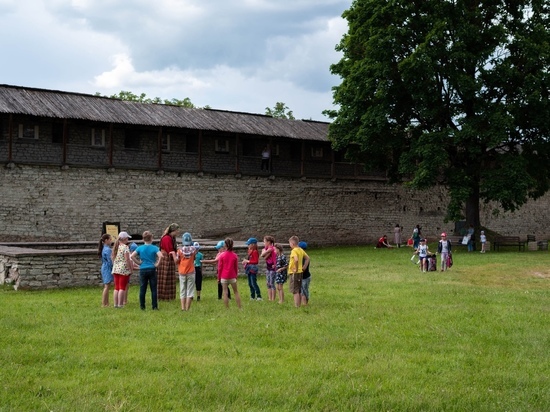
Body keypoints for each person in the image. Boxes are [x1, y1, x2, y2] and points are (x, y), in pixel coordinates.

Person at [131, 231, 162, 310]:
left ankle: (142, 306)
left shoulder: (140, 248)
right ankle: (154, 306)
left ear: (143, 239)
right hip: (152, 268)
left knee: (142, 288)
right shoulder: (154, 247)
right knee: (153, 288)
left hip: (143, 269)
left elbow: (132, 256)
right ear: (151, 238)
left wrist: (138, 263)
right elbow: (161, 256)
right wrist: (157, 264)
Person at [174, 232, 197, 311]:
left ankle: (183, 308)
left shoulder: (179, 251)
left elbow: (177, 261)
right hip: (191, 271)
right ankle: (187, 308)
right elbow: (194, 258)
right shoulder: (194, 250)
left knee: (182, 289)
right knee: (190, 290)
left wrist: (173, 254)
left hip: (182, 272)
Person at [217, 238, 242, 309]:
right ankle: (239, 307)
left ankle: (227, 308)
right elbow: (235, 267)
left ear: (225, 245)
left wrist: (219, 277)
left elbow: (220, 268)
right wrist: (236, 276)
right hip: (232, 276)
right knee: (236, 292)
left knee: (225, 292)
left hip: (224, 276)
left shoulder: (222, 255)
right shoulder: (234, 255)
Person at [111, 231, 133, 308]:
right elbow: (127, 259)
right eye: (127, 238)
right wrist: (130, 268)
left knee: (116, 287)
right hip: (123, 269)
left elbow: (113, 258)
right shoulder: (125, 247)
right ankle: (120, 304)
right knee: (122, 287)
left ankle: (115, 304)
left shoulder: (116, 247)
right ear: (124, 239)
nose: (128, 239)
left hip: (116, 268)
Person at [158, 223, 179, 301]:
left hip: (170, 258)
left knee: (170, 277)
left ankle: (170, 296)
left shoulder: (172, 238)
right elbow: (169, 250)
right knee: (165, 277)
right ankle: (164, 296)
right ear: (173, 230)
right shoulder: (166, 238)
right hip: (166, 258)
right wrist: (175, 258)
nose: (178, 232)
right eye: (177, 230)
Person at [288, 236, 309, 308]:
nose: (289, 245)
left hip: (295, 273)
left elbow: (296, 260)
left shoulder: (294, 251)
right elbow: (307, 258)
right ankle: (299, 305)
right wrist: (304, 267)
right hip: (300, 272)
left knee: (295, 290)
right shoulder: (300, 250)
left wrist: (296, 269)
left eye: (290, 243)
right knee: (299, 289)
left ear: (293, 243)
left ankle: (297, 306)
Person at [98, 233, 113, 307]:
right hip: (107, 268)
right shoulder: (107, 249)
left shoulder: (104, 248)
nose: (111, 241)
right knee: (107, 286)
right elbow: (110, 261)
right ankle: (104, 303)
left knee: (107, 285)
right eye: (110, 239)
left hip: (104, 266)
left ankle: (106, 303)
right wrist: (113, 267)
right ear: (106, 240)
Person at [261, 235, 277, 302]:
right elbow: (263, 256)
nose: (263, 243)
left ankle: (273, 299)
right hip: (268, 268)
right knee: (268, 283)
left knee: (272, 283)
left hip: (273, 268)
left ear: (269, 242)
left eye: (264, 241)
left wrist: (264, 251)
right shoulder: (266, 248)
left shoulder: (271, 248)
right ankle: (270, 298)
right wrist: (264, 250)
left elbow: (263, 255)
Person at [298, 241, 311, 306]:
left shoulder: (304, 258)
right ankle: (304, 302)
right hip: (303, 277)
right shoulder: (304, 256)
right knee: (302, 290)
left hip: (305, 277)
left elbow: (303, 269)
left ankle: (305, 303)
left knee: (304, 290)